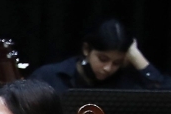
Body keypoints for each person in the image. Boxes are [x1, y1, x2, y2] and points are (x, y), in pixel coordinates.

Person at [31, 18, 165, 92]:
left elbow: (165, 97)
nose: (108, 68)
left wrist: (136, 56)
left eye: (117, 63)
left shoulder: (126, 81)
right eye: (103, 59)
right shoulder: (49, 76)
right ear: (86, 49)